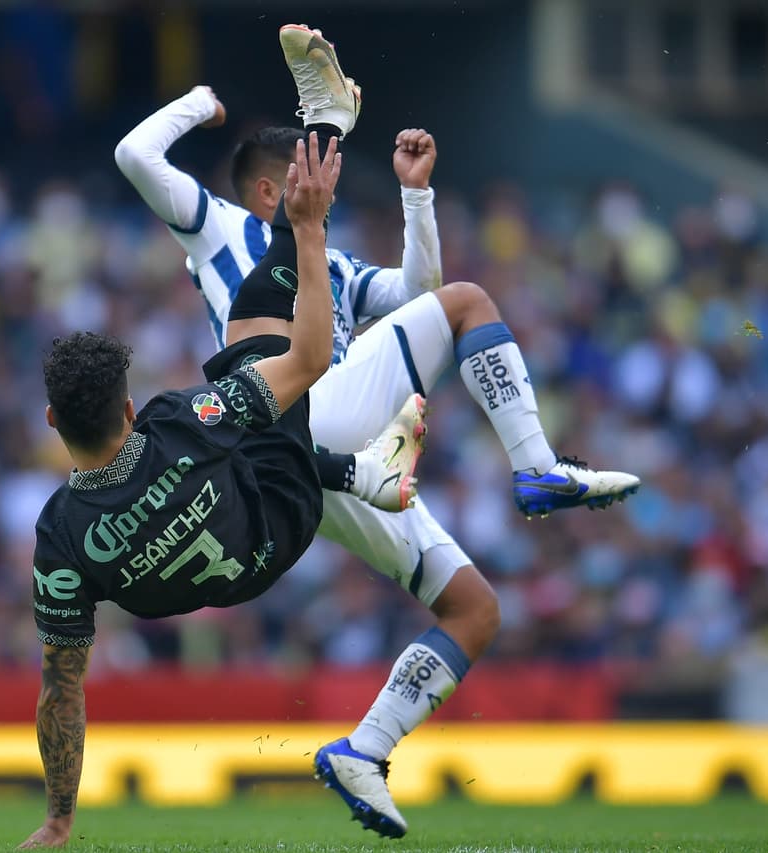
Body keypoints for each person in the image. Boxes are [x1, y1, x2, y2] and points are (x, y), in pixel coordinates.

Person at [113, 24, 640, 836]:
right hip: (293, 408)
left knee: (475, 610)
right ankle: (535, 466)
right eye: (309, 166)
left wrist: (417, 196)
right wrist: (199, 103)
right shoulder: (217, 226)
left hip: (323, 457)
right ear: (268, 190)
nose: (319, 184)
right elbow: (136, 158)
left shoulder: (331, 263)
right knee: (470, 302)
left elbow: (415, 291)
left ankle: (365, 748)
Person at [19, 134, 426, 849]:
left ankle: (363, 474)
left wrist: (58, 819)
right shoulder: (178, 422)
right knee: (247, 333)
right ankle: (361, 467)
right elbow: (307, 357)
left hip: (227, 573)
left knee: (239, 427)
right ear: (126, 409)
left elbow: (62, 687)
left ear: (53, 420)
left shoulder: (58, 535)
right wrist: (303, 231)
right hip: (282, 514)